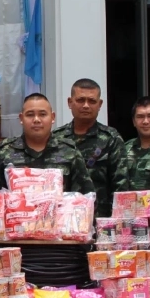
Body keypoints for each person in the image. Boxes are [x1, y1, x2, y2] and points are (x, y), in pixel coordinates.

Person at [0, 93, 94, 194]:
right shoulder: (4, 151)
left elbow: (86, 198)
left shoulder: (69, 152)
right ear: (21, 118)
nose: (36, 120)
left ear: (52, 117)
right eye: (30, 115)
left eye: (42, 114)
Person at [51, 78, 124, 215]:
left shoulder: (111, 139)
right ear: (69, 102)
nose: (86, 105)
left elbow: (120, 187)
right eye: (80, 100)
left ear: (100, 104)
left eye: (92, 101)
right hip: (62, 220)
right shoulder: (55, 138)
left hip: (99, 221)